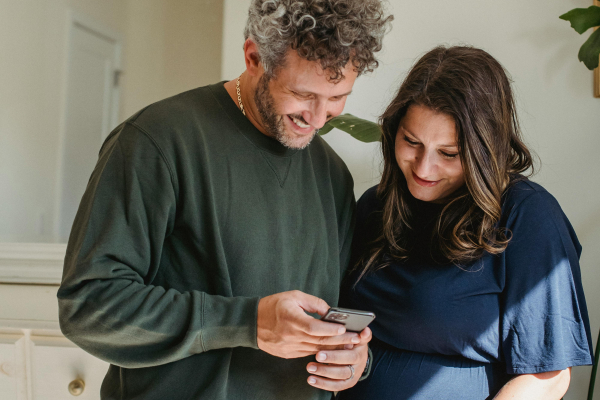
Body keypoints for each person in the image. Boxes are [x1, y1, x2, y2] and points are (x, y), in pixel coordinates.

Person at [57, 1, 392, 399]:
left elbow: (334, 314)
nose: (319, 119)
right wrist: (247, 322)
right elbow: (89, 307)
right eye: (303, 94)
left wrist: (354, 360)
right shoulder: (157, 141)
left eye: (337, 97)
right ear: (254, 57)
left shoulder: (333, 176)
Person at [336, 46, 594, 400]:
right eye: (411, 142)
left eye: (449, 154)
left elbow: (547, 377)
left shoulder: (529, 217)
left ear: (484, 151)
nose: (423, 169)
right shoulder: (375, 207)